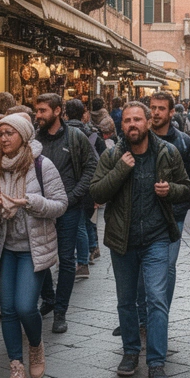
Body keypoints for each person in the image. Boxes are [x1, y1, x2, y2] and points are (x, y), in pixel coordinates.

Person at [91, 102, 190, 378]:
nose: (132, 124)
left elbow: (186, 187)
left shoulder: (167, 152)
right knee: (126, 301)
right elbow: (96, 193)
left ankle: (157, 362)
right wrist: (121, 170)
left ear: (148, 122)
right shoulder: (113, 155)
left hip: (156, 239)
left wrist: (170, 190)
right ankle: (131, 352)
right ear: (121, 125)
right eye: (127, 120)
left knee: (156, 299)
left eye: (137, 119)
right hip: (122, 240)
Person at [0, 113, 68, 378]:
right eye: (0, 133)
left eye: (9, 133)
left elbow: (61, 204)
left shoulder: (42, 165)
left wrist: (30, 202)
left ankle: (35, 346)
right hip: (2, 248)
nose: (3, 138)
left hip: (32, 249)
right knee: (9, 309)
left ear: (23, 136)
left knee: (25, 307)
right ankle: (16, 368)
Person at [32, 94, 98, 333]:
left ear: (57, 111)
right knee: (39, 258)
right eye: (37, 110)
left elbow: (91, 166)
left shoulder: (75, 136)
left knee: (66, 259)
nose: (38, 115)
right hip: (40, 208)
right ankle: (49, 298)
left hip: (69, 208)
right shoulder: (35, 138)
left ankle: (60, 311)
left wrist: (74, 196)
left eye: (42, 110)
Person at [150, 93, 190, 308]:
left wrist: (180, 204)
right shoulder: (139, 137)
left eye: (161, 108)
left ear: (171, 112)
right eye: (153, 107)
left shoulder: (183, 141)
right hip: (143, 213)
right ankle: (144, 315)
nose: (156, 112)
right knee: (145, 266)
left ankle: (162, 312)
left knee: (168, 266)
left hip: (173, 215)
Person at [65, 98, 107, 277]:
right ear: (83, 114)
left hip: (70, 183)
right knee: (84, 221)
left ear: (65, 114)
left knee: (77, 223)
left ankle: (81, 261)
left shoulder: (63, 134)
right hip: (89, 184)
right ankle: (89, 252)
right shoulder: (93, 134)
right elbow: (104, 160)